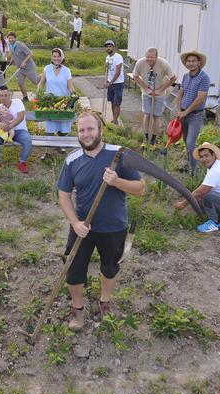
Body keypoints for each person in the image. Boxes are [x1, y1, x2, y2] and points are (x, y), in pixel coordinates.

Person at [57, 112, 145, 332]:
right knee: (73, 268)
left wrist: (117, 181)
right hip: (83, 227)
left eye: (90, 129)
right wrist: (75, 222)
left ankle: (105, 302)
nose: (86, 134)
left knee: (110, 267)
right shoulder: (72, 160)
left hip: (113, 226)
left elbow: (140, 189)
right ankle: (78, 309)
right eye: (82, 130)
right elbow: (63, 195)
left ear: (100, 130)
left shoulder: (120, 155)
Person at [174, 142, 220, 233]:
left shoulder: (216, 171)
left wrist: (183, 204)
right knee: (201, 200)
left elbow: (199, 192)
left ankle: (215, 223)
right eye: (201, 157)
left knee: (206, 196)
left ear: (213, 155)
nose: (204, 159)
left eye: (206, 155)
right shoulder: (214, 167)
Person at [133, 47, 176, 145]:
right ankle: (147, 136)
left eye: (152, 57)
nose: (149, 59)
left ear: (157, 57)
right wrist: (146, 88)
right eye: (147, 57)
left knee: (156, 116)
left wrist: (160, 89)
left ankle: (153, 139)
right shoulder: (140, 63)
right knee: (147, 114)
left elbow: (173, 78)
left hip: (159, 95)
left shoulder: (164, 64)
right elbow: (135, 76)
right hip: (146, 93)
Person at [176, 49, 210, 174]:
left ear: (199, 63)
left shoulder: (204, 78)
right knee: (185, 141)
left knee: (191, 144)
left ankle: (194, 172)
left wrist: (186, 112)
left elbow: (200, 98)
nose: (191, 63)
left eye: (194, 61)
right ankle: (190, 163)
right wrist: (179, 111)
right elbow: (180, 94)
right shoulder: (185, 76)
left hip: (195, 115)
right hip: (183, 114)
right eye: (188, 61)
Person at [0, 85, 33, 173]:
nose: (4, 98)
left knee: (27, 140)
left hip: (19, 131)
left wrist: (9, 127)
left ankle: (22, 162)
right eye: (1, 96)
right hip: (5, 132)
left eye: (6, 95)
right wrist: (0, 124)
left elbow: (20, 117)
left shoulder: (18, 102)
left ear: (10, 95)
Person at [36, 48, 76, 136]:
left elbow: (70, 86)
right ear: (51, 57)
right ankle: (49, 143)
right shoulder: (47, 69)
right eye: (54, 56)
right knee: (50, 127)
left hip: (63, 101)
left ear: (62, 57)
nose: (56, 58)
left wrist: (74, 94)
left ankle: (60, 145)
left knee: (63, 129)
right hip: (50, 101)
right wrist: (37, 95)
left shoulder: (67, 70)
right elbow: (41, 83)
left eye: (58, 56)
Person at [7, 32, 39, 102]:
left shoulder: (20, 45)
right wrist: (12, 59)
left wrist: (24, 61)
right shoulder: (10, 45)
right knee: (20, 82)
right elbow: (13, 53)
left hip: (28, 67)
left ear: (15, 38)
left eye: (12, 38)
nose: (11, 39)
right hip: (20, 68)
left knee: (35, 81)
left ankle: (44, 75)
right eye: (9, 38)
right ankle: (25, 97)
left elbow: (30, 54)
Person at [102, 40, 124, 125]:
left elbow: (118, 72)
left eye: (110, 46)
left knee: (117, 103)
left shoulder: (118, 57)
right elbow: (105, 71)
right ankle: (114, 118)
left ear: (113, 47)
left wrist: (110, 83)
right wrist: (105, 66)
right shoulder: (107, 58)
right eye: (107, 47)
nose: (108, 48)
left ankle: (115, 120)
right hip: (110, 82)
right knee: (112, 101)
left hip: (118, 83)